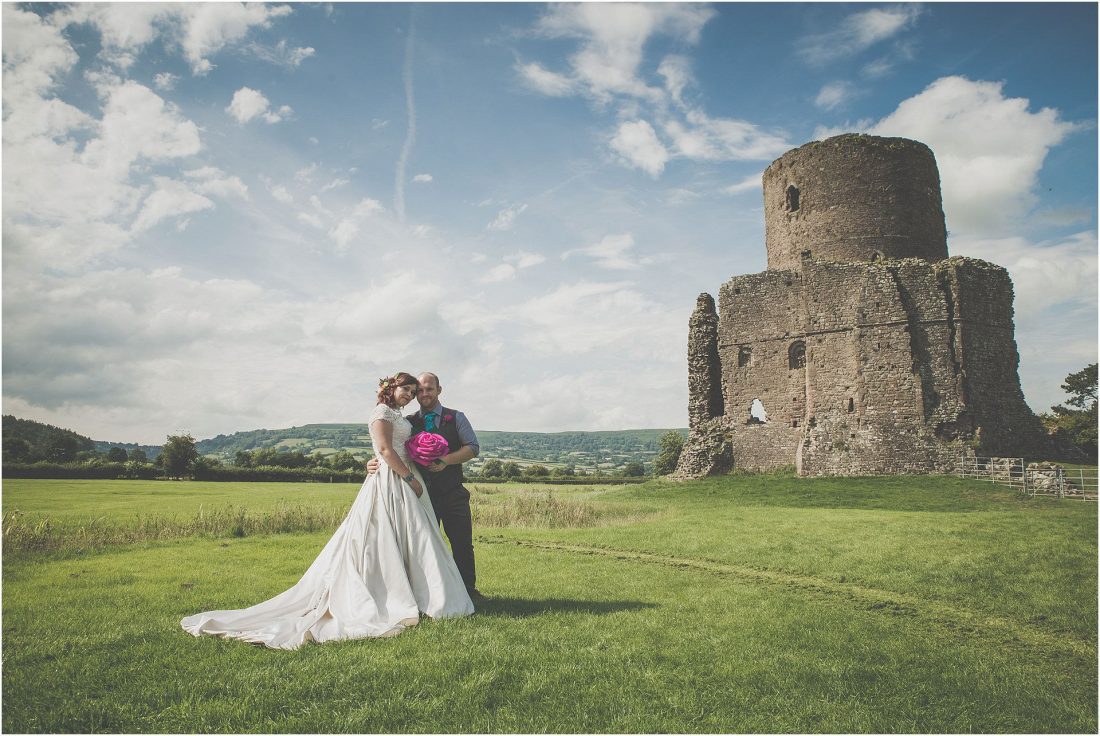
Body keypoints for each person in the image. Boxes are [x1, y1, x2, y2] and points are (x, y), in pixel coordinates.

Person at [180, 372, 474, 650]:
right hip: (398, 481)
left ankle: (446, 592)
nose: (413, 394)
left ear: (438, 390)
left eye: (419, 390)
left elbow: (449, 447)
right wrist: (396, 472)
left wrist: (424, 465)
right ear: (391, 388)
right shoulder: (386, 414)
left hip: (427, 485)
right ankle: (402, 596)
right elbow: (384, 449)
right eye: (409, 389)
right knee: (392, 539)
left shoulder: (428, 417)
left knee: (428, 540)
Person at [367, 371, 484, 601]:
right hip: (419, 494)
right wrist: (373, 462)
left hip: (452, 492)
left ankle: (468, 592)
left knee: (461, 543)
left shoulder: (456, 417)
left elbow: (473, 447)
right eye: (418, 390)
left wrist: (446, 461)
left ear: (439, 390)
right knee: (422, 545)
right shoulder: (408, 421)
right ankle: (430, 594)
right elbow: (389, 445)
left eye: (428, 389)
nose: (422, 394)